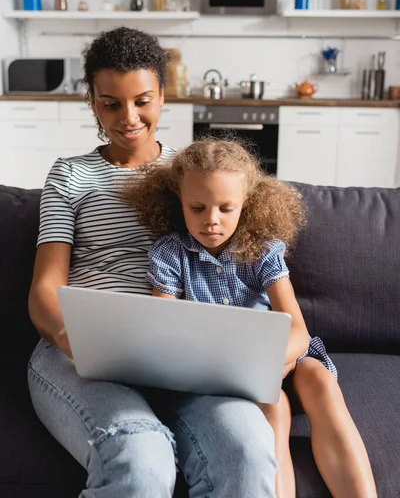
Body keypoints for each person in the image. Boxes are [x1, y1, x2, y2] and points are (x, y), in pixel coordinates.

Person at [27, 28, 278, 498]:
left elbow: (247, 258)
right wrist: (77, 341)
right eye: (110, 103)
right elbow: (45, 288)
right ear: (92, 102)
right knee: (140, 459)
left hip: (183, 352)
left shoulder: (195, 174)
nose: (128, 118)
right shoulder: (70, 174)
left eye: (142, 100)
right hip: (83, 350)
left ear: (163, 95)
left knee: (246, 451)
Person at [126, 138, 377, 498]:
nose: (211, 220)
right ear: (178, 201)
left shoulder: (261, 249)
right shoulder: (170, 255)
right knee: (273, 405)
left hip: (280, 357)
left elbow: (298, 332)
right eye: (197, 207)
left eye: (226, 208)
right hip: (223, 371)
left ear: (246, 204)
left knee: (320, 379)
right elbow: (165, 332)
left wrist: (273, 362)